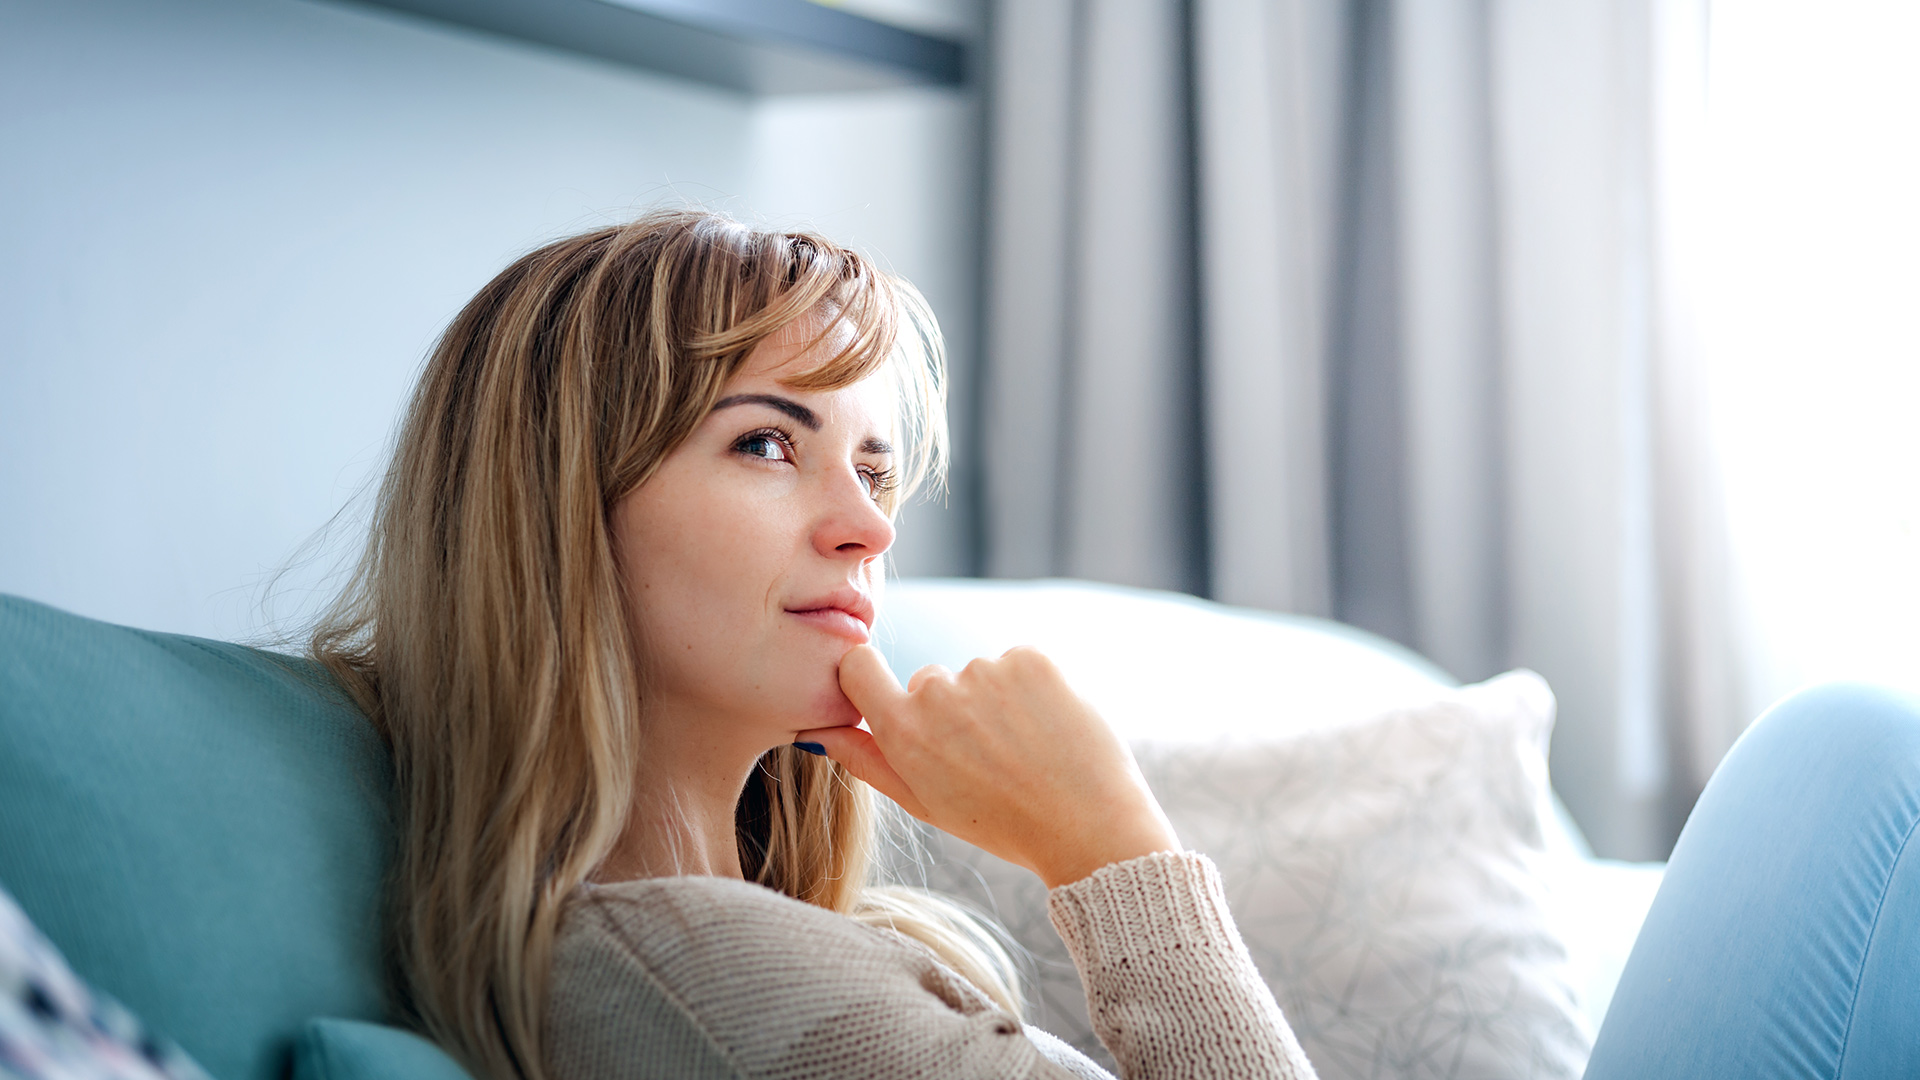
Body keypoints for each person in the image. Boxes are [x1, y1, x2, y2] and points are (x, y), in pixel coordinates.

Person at [312, 209, 1920, 1080]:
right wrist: (1110, 847)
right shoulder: (695, 976)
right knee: (1849, 766)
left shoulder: (782, 935)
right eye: (764, 444)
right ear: (555, 515)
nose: (866, 525)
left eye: (876, 464)